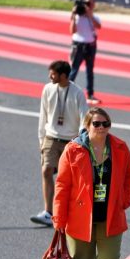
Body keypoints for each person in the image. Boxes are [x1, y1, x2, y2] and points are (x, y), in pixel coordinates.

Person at [53, 107, 130, 259]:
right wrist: (58, 219)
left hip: (111, 217)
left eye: (105, 124)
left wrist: (124, 201)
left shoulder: (119, 147)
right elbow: (62, 185)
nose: (101, 128)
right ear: (87, 126)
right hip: (79, 219)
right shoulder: (73, 150)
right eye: (96, 124)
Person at [31, 60, 89, 226]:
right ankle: (47, 212)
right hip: (50, 137)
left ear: (64, 75)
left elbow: (84, 118)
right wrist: (42, 140)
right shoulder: (48, 89)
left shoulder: (77, 93)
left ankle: (66, 212)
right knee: (46, 170)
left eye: (53, 73)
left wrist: (79, 142)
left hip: (70, 141)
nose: (50, 76)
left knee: (67, 179)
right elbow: (43, 115)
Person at [69, 0, 101, 104]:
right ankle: (65, 91)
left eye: (91, 3)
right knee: (74, 69)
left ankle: (90, 94)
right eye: (87, 3)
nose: (89, 6)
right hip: (78, 46)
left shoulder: (93, 17)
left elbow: (98, 26)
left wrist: (90, 16)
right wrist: (73, 15)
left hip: (90, 46)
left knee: (90, 71)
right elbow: (72, 31)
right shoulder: (77, 17)